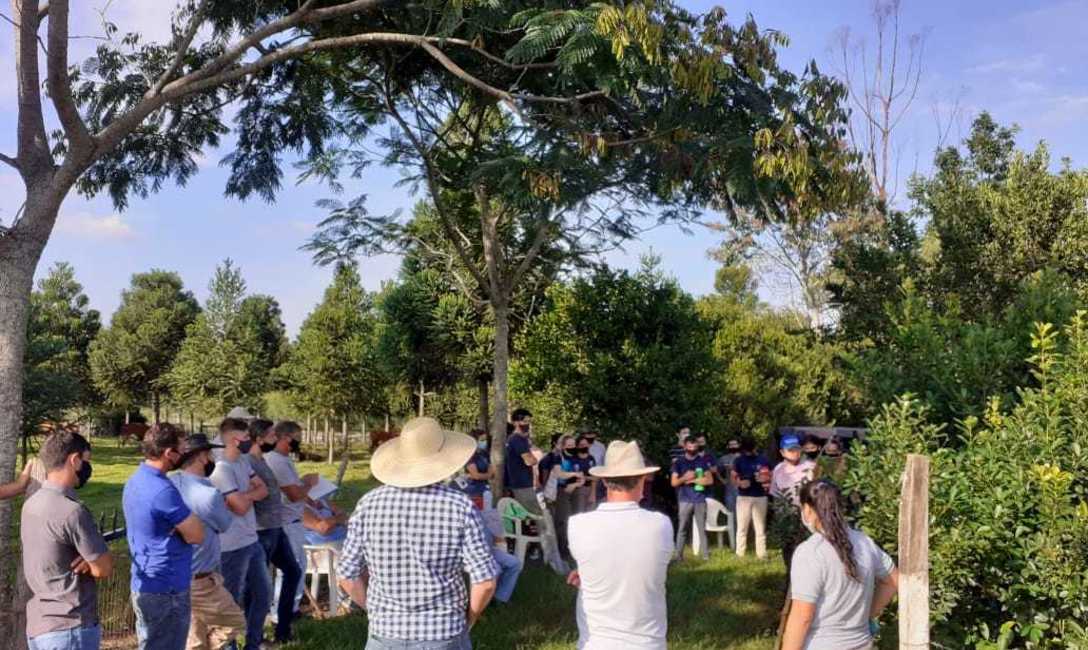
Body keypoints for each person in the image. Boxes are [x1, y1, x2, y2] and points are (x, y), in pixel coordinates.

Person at [338, 417, 498, 649]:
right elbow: (485, 582)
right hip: (443, 632)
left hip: (385, 634)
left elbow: (347, 575)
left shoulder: (368, 504)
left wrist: (374, 610)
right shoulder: (459, 506)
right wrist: (470, 619)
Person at [567, 441, 671, 649]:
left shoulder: (577, 525)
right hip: (647, 643)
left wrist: (589, 572)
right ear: (642, 479)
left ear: (605, 481)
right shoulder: (660, 524)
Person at [782, 480, 899, 650]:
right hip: (862, 643)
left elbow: (802, 615)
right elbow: (893, 580)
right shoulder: (864, 542)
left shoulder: (809, 552)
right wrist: (867, 616)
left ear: (807, 510)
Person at [22, 431, 111, 650]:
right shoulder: (72, 511)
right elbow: (103, 569)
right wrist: (93, 559)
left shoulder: (31, 504)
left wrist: (85, 557)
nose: (87, 468)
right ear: (74, 460)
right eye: (86, 461)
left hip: (39, 625)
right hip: (71, 627)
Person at [124, 423, 205, 650]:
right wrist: (184, 525)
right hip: (167, 587)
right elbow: (197, 534)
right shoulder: (163, 491)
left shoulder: (136, 479)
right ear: (169, 453)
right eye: (182, 449)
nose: (185, 454)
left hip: (146, 581)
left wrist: (179, 527)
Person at [170, 433, 246, 650]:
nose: (212, 457)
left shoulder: (171, 483)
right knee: (234, 621)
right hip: (202, 577)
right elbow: (224, 524)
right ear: (203, 457)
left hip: (178, 572)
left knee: (194, 637)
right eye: (210, 453)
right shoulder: (208, 494)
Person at [208, 418, 271, 650]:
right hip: (230, 546)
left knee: (263, 595)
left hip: (251, 540)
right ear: (235, 440)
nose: (250, 441)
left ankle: (253, 644)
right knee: (231, 601)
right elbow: (241, 507)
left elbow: (264, 489)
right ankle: (227, 646)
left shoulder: (244, 462)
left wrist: (243, 495)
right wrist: (248, 495)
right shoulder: (221, 469)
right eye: (246, 438)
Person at [248, 418, 303, 643]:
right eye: (271, 435)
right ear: (259, 439)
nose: (275, 438)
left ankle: (283, 629)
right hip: (262, 531)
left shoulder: (262, 460)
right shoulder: (249, 463)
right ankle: (254, 637)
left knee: (293, 572)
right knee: (258, 588)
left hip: (275, 528)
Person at [264, 420, 319, 616]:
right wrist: (310, 484)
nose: (299, 442)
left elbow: (293, 490)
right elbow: (294, 494)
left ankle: (290, 609)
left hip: (292, 521)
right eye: (297, 438)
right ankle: (283, 612)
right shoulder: (276, 461)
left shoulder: (284, 459)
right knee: (290, 569)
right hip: (286, 523)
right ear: (286, 438)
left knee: (297, 567)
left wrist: (307, 492)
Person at [670, 435, 714, 561]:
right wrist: (685, 478)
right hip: (684, 499)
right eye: (689, 446)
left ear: (697, 446)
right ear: (684, 446)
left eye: (694, 446)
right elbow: (673, 483)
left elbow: (710, 480)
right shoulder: (678, 463)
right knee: (682, 528)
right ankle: (678, 557)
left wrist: (695, 480)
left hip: (700, 499)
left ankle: (705, 556)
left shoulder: (702, 461)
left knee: (702, 529)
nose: (692, 448)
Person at [732, 437, 771, 559]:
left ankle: (761, 553)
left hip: (760, 496)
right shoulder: (738, 460)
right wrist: (740, 483)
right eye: (747, 449)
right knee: (742, 527)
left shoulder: (763, 459)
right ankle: (740, 553)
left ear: (755, 447)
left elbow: (772, 474)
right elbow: (733, 476)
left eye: (751, 448)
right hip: (743, 497)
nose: (749, 451)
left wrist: (765, 479)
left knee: (760, 527)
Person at [478, 506, 524, 604]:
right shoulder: (464, 512)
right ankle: (482, 601)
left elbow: (499, 539)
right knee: (495, 568)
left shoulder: (490, 510)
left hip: (489, 550)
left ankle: (500, 598)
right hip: (472, 553)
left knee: (514, 563)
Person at [504, 408, 539, 515]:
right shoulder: (517, 439)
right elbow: (530, 461)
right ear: (515, 422)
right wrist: (535, 457)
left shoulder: (521, 439)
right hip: (521, 485)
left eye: (529, 421)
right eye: (524, 421)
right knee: (535, 515)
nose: (527, 424)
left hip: (523, 484)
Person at [771, 435, 817, 506]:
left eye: (797, 449)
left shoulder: (811, 466)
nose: (795, 452)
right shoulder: (778, 469)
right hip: (786, 512)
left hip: (808, 509)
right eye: (790, 450)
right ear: (782, 452)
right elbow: (775, 494)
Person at [464, 429, 495, 510]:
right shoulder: (470, 455)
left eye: (485, 440)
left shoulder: (483, 453)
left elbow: (490, 467)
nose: (484, 442)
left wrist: (487, 474)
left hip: (485, 490)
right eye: (482, 440)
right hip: (474, 492)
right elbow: (476, 475)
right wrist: (488, 475)